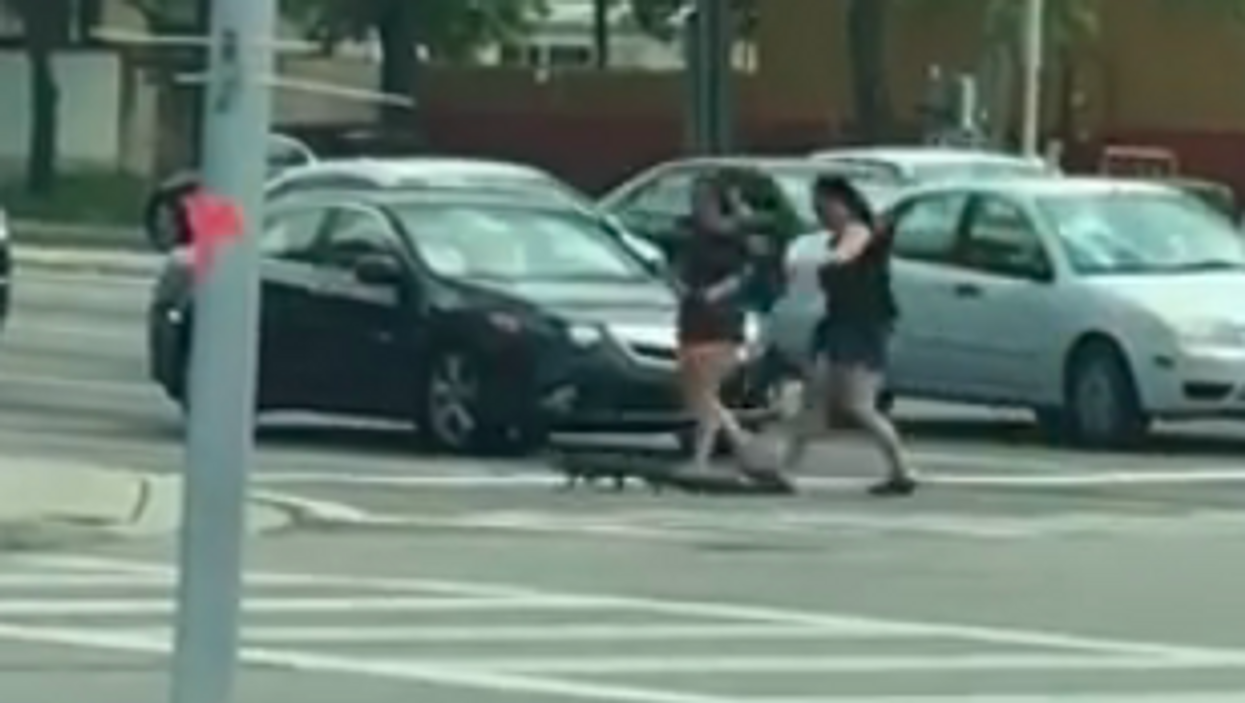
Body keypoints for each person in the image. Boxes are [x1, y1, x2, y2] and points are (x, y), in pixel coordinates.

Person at [779, 175, 917, 497]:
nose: (822, 214)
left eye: (826, 206)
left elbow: (845, 255)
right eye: (817, 208)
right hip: (837, 326)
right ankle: (784, 471)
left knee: (858, 405)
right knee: (814, 400)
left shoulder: (858, 232)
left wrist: (816, 262)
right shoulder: (831, 238)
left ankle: (902, 470)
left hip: (863, 327)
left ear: (844, 204)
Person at [674, 174, 785, 484]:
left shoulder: (738, 236)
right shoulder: (689, 232)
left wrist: (720, 290)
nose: (700, 208)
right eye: (696, 201)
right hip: (692, 315)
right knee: (698, 392)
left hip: (721, 317)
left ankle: (740, 447)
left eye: (707, 201)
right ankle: (709, 457)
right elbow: (679, 267)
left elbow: (751, 269)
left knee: (704, 391)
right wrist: (681, 286)